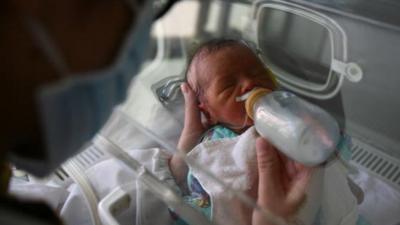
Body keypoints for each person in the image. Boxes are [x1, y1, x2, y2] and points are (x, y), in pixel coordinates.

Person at [169, 39, 312, 225]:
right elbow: (201, 201)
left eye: (259, 73)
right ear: (207, 112)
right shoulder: (214, 146)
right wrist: (190, 134)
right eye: (228, 85)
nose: (250, 83)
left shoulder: (293, 115)